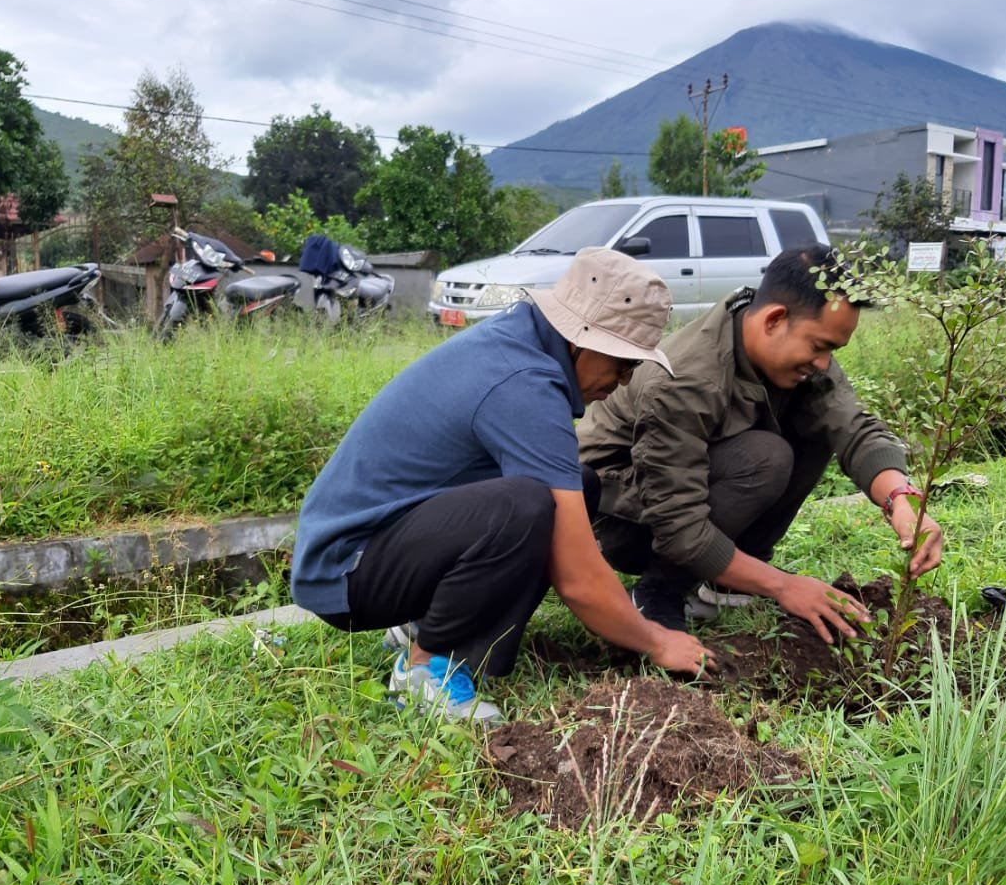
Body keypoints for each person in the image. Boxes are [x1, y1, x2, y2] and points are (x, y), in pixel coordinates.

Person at [290, 248, 716, 726]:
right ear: (579, 339)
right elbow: (577, 575)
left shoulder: (520, 344)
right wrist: (655, 639)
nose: (624, 381)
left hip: (379, 542)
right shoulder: (525, 383)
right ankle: (426, 671)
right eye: (621, 362)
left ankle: (424, 624)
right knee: (525, 505)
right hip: (345, 570)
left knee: (575, 485)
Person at [577, 242, 944, 640]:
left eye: (832, 351)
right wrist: (784, 586)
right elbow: (677, 521)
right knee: (764, 457)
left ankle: (730, 579)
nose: (824, 364)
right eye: (819, 346)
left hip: (682, 494)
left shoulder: (793, 354)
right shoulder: (686, 379)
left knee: (818, 430)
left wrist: (900, 499)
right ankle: (661, 589)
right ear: (774, 319)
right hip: (619, 517)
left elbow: (850, 425)